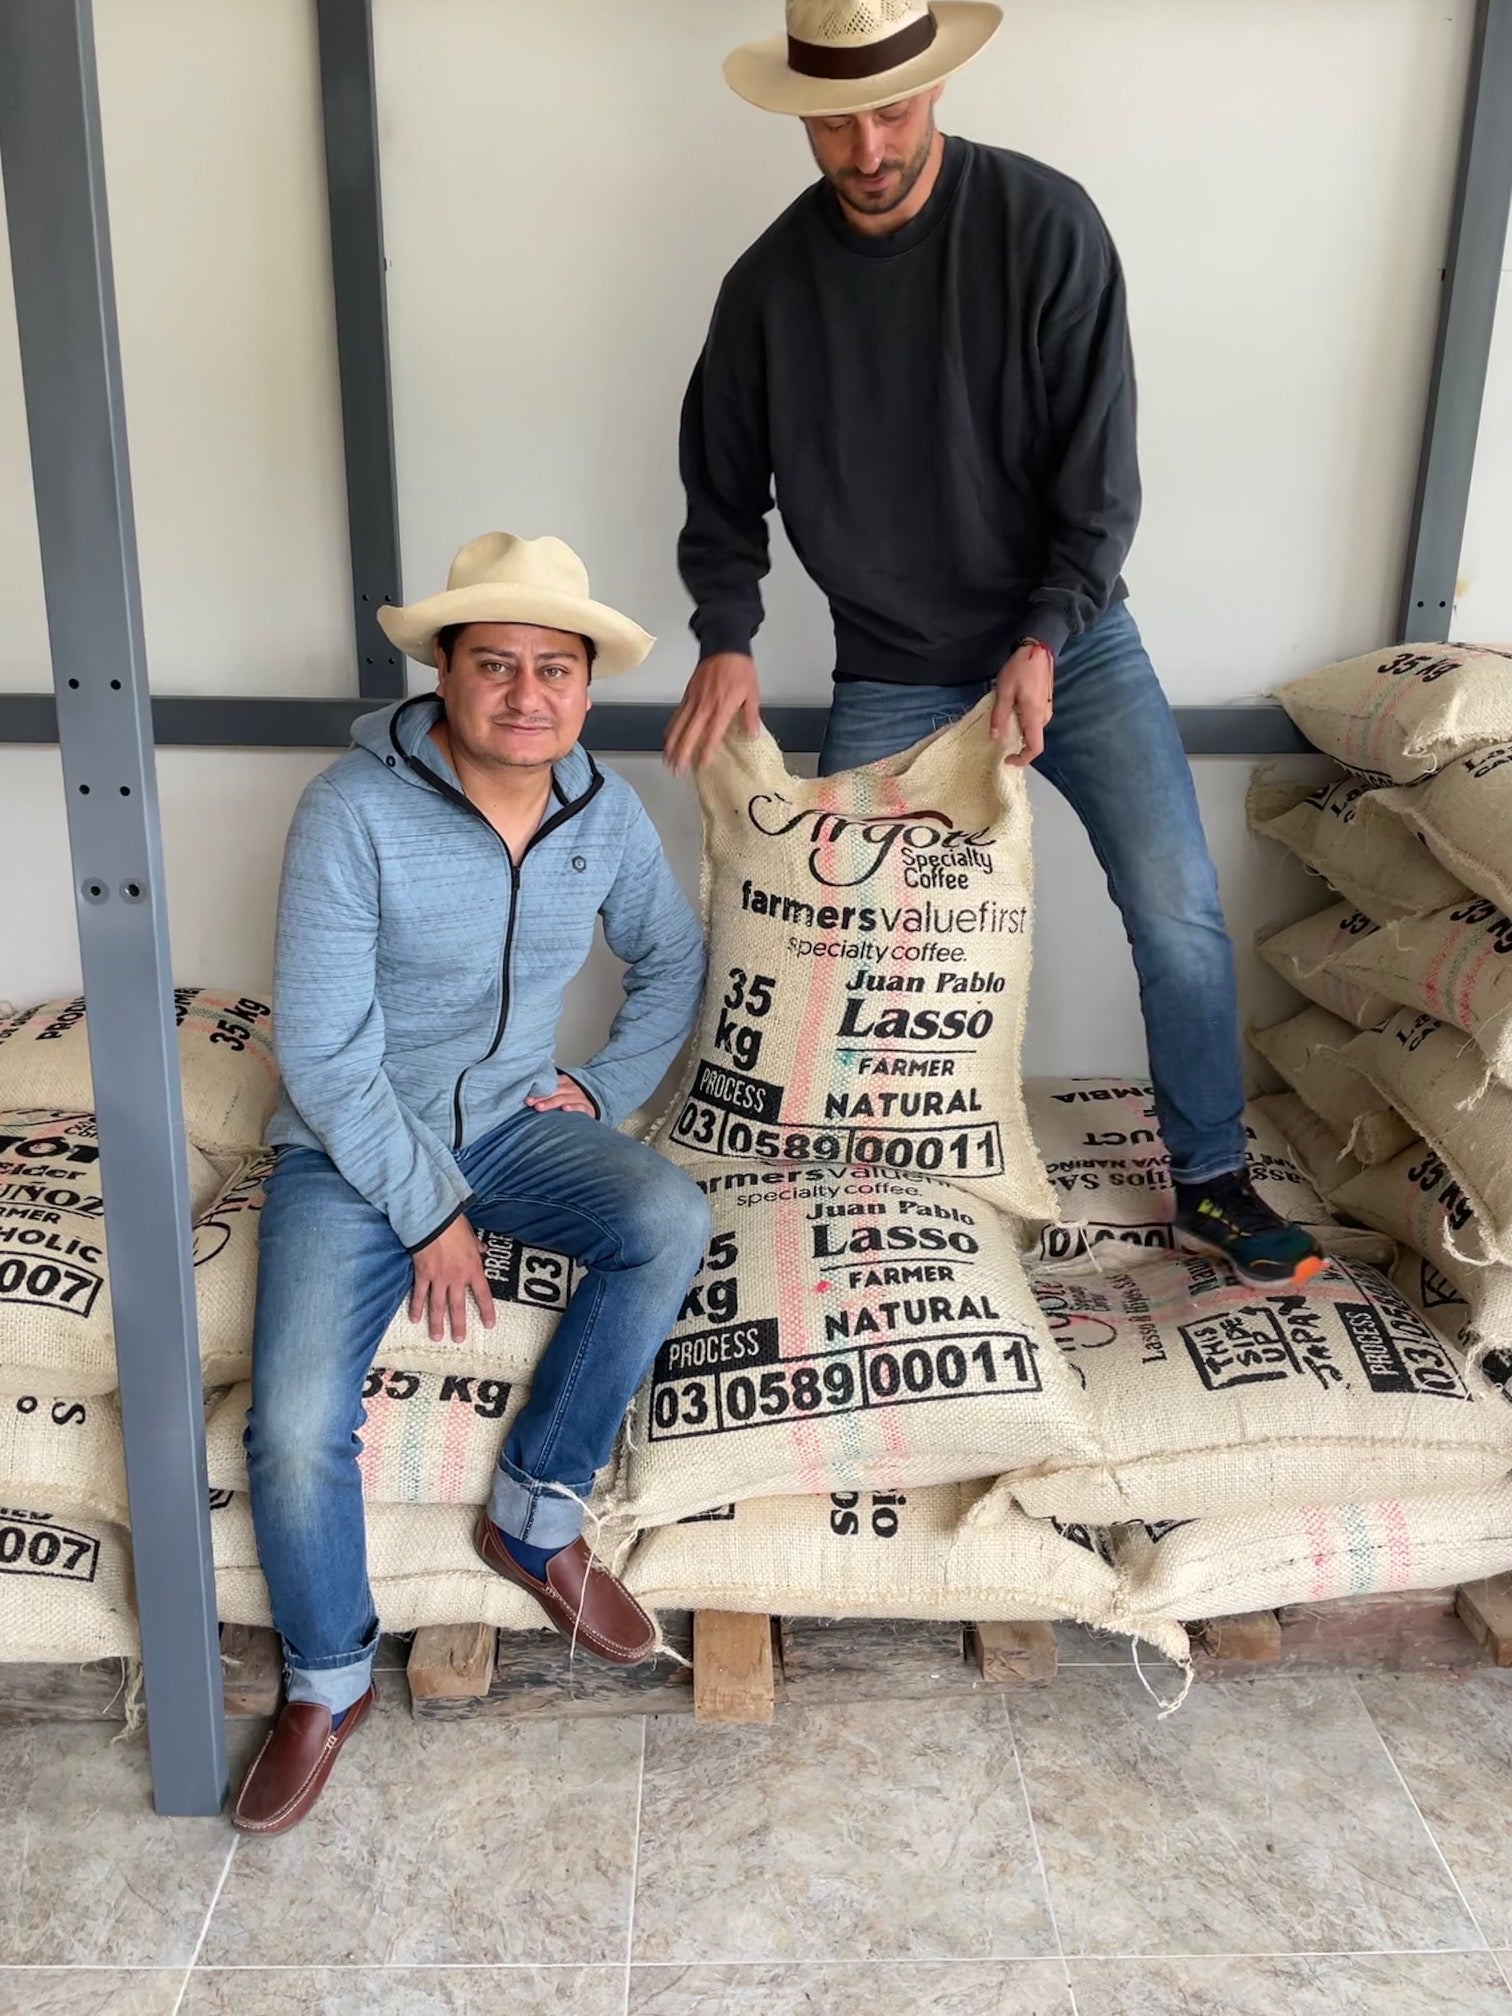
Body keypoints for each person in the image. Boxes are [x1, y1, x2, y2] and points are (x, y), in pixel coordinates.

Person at [665, 0, 1324, 1292]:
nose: (868, 149)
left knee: (1179, 910)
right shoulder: (764, 292)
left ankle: (1209, 1180)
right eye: (837, 122)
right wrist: (725, 638)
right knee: (847, 949)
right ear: (800, 116)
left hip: (1073, 647)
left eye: (892, 111)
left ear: (939, 91)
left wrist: (1043, 635)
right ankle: (887, 1206)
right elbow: (718, 490)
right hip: (894, 666)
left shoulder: (1046, 227)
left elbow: (1101, 477)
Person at [233, 532, 710, 1834]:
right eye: (494, 664)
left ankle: (534, 1514)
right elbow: (324, 1055)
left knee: (668, 1217)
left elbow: (674, 960)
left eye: (555, 669)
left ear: (584, 685)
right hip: (349, 1155)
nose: (526, 695)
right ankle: (327, 1681)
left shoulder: (602, 816)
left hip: (512, 1127)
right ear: (442, 672)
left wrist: (602, 1091)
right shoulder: (352, 809)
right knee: (289, 1427)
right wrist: (428, 1212)